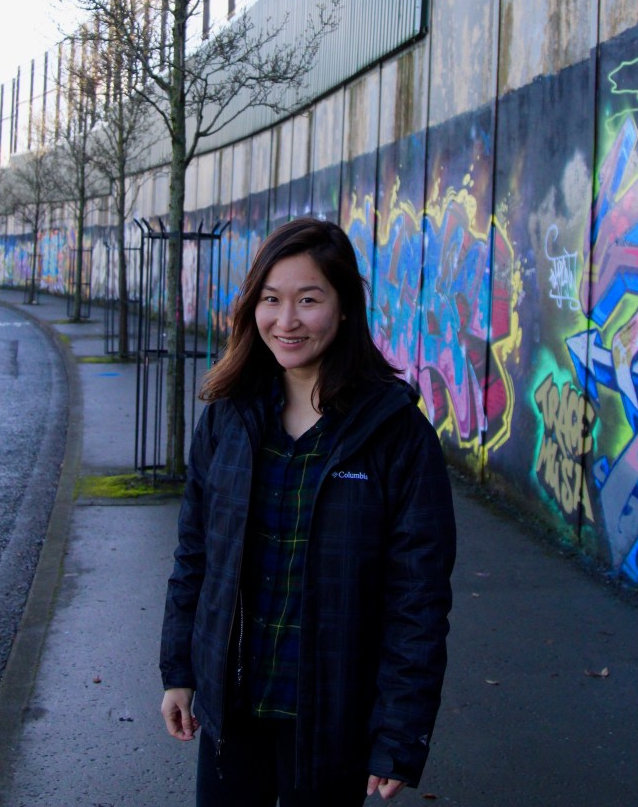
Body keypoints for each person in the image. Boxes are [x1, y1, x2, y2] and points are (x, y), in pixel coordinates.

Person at [160, 217, 456, 806]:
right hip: (232, 713)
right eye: (271, 299)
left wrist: (400, 733)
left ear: (344, 309)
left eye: (309, 300)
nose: (286, 320)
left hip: (332, 724)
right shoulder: (229, 419)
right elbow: (196, 556)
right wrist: (180, 671)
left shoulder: (396, 435)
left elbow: (417, 600)